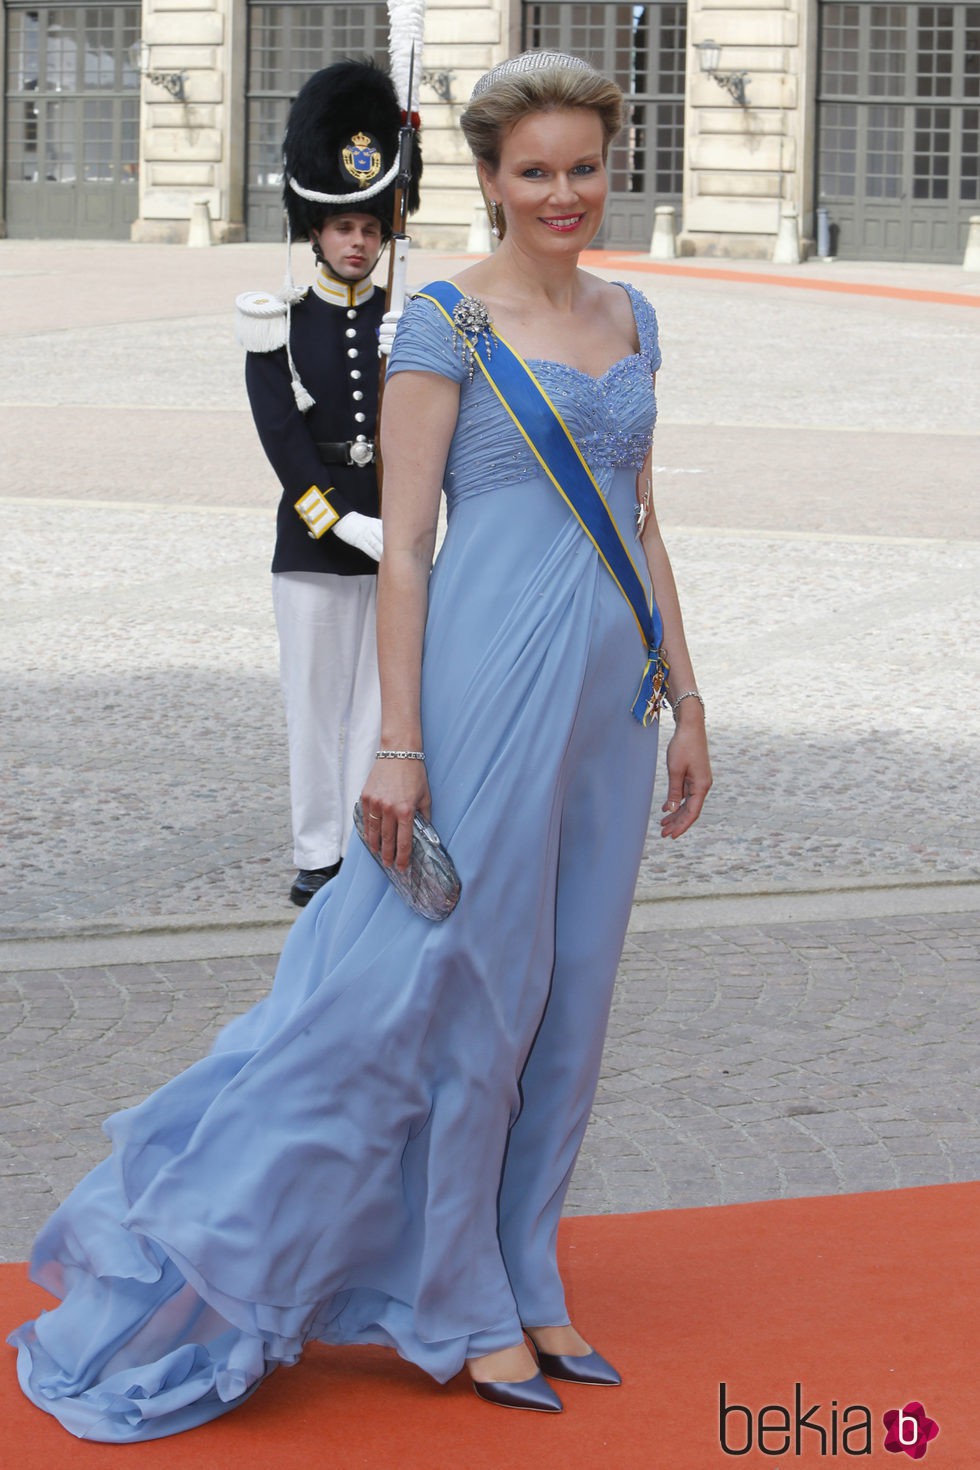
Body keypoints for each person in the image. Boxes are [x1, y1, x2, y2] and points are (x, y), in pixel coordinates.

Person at [9, 53, 711, 1439]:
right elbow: (406, 554)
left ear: (608, 165)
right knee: (461, 999)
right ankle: (449, 1298)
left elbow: (643, 517)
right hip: (482, 694)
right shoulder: (442, 321)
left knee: (571, 1009)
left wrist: (687, 699)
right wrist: (396, 746)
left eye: (583, 167)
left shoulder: (635, 316)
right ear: (492, 180)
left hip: (607, 710)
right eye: (534, 172)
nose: (562, 194)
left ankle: (527, 1271)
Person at [239, 60, 422, 907]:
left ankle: (363, 841)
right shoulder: (277, 325)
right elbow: (283, 440)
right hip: (315, 546)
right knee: (316, 706)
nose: (358, 242)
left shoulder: (401, 325)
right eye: (343, 228)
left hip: (392, 544)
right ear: (314, 231)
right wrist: (339, 523)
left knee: (382, 702)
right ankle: (317, 852)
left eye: (371, 229)